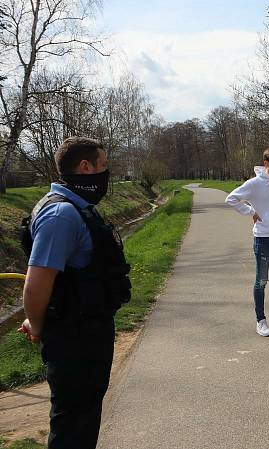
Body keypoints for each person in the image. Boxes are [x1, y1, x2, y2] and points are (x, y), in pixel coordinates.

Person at [17, 137, 132, 448]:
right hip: (74, 337)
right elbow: (37, 283)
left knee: (83, 416)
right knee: (73, 425)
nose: (106, 174)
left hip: (86, 331)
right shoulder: (61, 215)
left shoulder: (77, 209)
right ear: (85, 167)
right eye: (104, 166)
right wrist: (38, 326)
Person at [226, 148, 269, 337]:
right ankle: (261, 321)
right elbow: (231, 199)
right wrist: (251, 212)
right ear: (266, 163)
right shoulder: (255, 184)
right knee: (261, 280)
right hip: (263, 239)